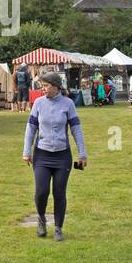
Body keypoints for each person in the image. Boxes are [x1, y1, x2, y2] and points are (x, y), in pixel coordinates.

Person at [22, 71, 87, 242]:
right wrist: (26, 152)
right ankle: (42, 219)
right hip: (42, 155)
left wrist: (82, 153)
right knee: (41, 192)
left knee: (59, 192)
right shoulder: (38, 103)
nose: (43, 89)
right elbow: (31, 129)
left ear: (56, 86)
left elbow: (76, 130)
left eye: (46, 86)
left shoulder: (68, 104)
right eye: (42, 85)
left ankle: (58, 228)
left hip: (62, 156)